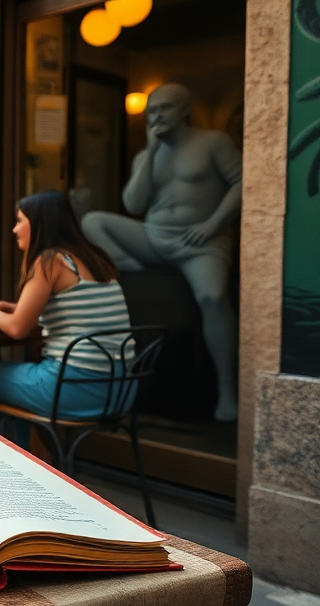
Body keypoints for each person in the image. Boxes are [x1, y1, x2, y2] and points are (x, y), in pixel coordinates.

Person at [81, 83, 241, 421]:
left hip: (201, 242)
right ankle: (133, 269)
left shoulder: (213, 142)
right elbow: (133, 204)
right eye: (151, 111)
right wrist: (150, 153)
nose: (157, 116)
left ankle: (228, 392)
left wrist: (214, 224)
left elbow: (243, 182)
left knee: (213, 297)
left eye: (165, 108)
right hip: (154, 239)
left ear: (185, 109)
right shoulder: (145, 155)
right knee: (93, 222)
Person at [0, 190, 133, 436]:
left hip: (75, 389)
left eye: (19, 221)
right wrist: (16, 308)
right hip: (120, 391)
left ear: (39, 224)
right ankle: (23, 458)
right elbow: (78, 310)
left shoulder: (50, 261)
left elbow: (17, 329)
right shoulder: (97, 259)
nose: (14, 229)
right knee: (20, 380)